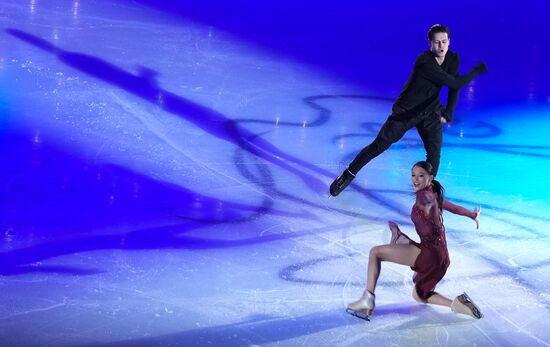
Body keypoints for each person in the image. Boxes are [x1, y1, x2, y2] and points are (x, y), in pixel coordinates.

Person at [330, 24, 487, 196]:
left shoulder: (453, 59)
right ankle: (348, 174)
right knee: (378, 147)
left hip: (430, 112)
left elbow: (454, 88)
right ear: (430, 43)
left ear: (449, 41)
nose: (441, 46)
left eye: (444, 41)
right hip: (406, 111)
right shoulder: (424, 61)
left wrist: (448, 111)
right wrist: (476, 71)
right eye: (437, 42)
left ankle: (425, 194)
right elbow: (455, 83)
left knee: (434, 156)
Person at [346, 161, 482, 320]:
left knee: (375, 253)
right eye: (413, 175)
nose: (415, 180)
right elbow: (453, 208)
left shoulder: (426, 196)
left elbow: (429, 202)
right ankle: (457, 304)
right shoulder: (433, 194)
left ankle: (367, 300)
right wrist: (472, 215)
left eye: (421, 176)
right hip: (441, 255)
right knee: (419, 295)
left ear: (430, 178)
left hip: (430, 253)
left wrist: (426, 205)